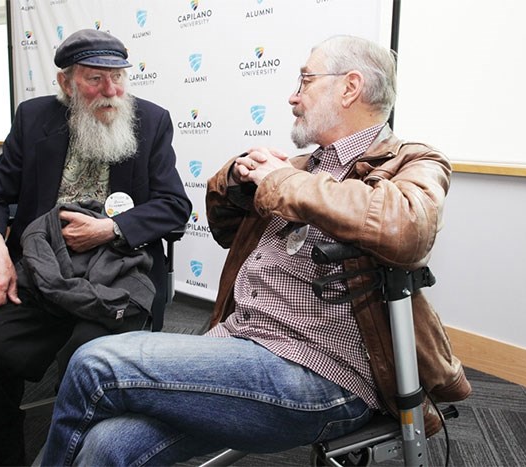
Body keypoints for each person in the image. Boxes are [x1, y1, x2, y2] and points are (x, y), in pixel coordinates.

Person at [40, 35, 471, 466]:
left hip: (319, 372)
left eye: (305, 81)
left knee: (94, 363)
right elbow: (226, 231)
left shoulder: (412, 162)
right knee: (106, 447)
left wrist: (281, 181)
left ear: (349, 87)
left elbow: (409, 230)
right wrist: (236, 182)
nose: (293, 96)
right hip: (241, 343)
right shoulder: (304, 167)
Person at [0, 29, 191, 466]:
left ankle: (79, 456)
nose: (110, 91)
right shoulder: (34, 119)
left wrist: (110, 230)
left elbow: (174, 206)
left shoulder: (152, 121)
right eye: (94, 79)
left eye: (118, 77)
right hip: (41, 266)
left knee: (89, 361)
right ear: (66, 83)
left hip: (117, 270)